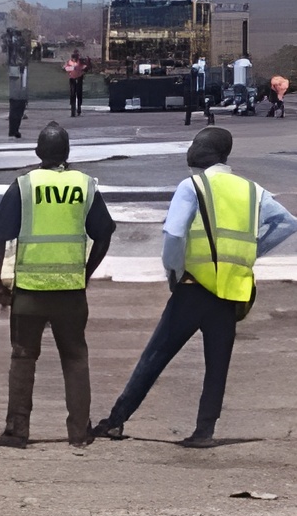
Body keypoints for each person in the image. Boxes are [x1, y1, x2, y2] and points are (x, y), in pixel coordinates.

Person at [92, 127, 297, 447]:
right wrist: (249, 253)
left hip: (192, 286)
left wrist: (173, 271)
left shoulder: (192, 186)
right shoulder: (252, 190)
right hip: (230, 291)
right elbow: (287, 223)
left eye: (196, 143)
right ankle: (204, 431)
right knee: (217, 364)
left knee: (156, 356)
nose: (191, 148)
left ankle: (116, 421)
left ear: (211, 151)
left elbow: (174, 235)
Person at [0, 122, 116, 448]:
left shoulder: (25, 186)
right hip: (71, 293)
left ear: (38, 153)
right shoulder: (85, 186)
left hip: (29, 292)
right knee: (75, 358)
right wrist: (85, 272)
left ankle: (16, 431)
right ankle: (79, 434)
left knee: (23, 357)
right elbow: (105, 233)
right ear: (67, 153)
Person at [63, 51, 88, 118]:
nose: (75, 60)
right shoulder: (69, 62)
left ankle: (79, 106)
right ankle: (73, 109)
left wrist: (83, 70)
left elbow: (85, 68)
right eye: (74, 58)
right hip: (72, 79)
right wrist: (70, 68)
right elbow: (64, 68)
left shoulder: (81, 62)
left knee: (79, 93)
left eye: (76, 58)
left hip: (79, 78)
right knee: (72, 93)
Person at [7, 61, 29, 139]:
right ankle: (13, 130)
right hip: (15, 95)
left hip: (22, 95)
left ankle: (15, 129)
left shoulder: (26, 70)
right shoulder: (14, 68)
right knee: (14, 112)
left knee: (19, 113)